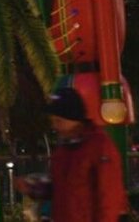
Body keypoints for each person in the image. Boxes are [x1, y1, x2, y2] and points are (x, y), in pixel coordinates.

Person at [25, 87, 128, 222]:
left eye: (59, 121)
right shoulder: (63, 150)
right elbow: (60, 188)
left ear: (73, 119)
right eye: (53, 121)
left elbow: (109, 196)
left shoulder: (99, 147)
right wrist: (32, 188)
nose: (55, 126)